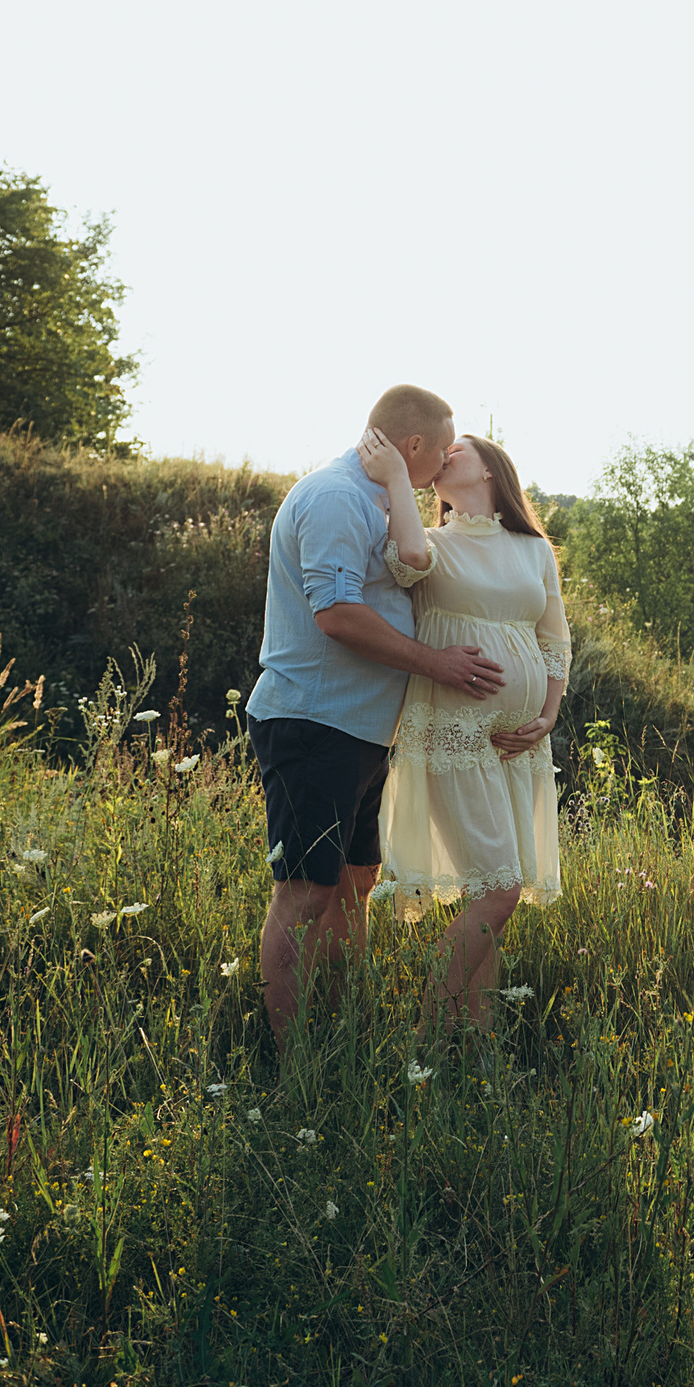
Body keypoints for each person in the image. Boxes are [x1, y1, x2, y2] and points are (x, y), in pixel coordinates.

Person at [245, 384, 507, 1049]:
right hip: (314, 724)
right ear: (412, 445)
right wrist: (435, 664)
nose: (444, 465)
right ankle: (292, 1059)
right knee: (304, 892)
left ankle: (341, 1026)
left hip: (361, 729)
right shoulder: (336, 499)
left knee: (354, 884)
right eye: (441, 450)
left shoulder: (380, 500)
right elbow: (335, 616)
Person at [355, 426, 565, 1038]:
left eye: (457, 451)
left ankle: (473, 1052)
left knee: (487, 897)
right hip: (454, 730)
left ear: (492, 471)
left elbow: (554, 640)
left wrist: (546, 716)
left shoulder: (534, 550)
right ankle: (422, 1041)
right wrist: (399, 478)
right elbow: (410, 560)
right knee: (499, 891)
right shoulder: (433, 543)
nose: (443, 457)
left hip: (519, 741)